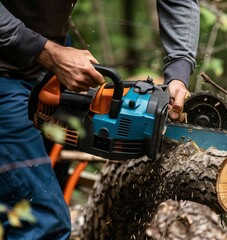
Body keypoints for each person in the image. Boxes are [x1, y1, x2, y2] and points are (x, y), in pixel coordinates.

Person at [0, 0, 200, 239]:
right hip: (13, 66)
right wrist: (48, 53)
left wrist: (179, 71)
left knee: (49, 186)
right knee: (44, 222)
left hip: (48, 56)